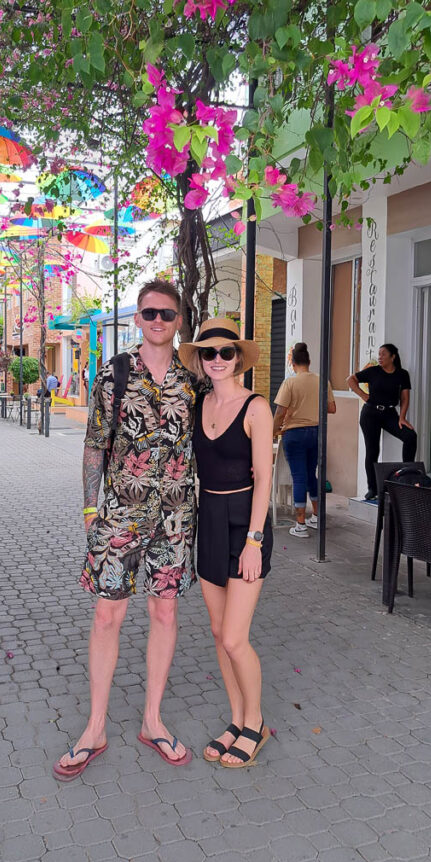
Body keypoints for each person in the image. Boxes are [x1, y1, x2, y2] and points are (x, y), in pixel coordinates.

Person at [53, 279, 198, 781]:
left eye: (167, 314)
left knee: (165, 610)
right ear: (138, 319)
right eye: (149, 313)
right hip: (119, 515)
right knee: (108, 615)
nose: (158, 321)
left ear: (178, 321)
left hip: (175, 517)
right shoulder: (115, 376)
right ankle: (94, 728)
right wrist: (89, 512)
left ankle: (152, 720)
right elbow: (95, 444)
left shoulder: (191, 380)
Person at [179, 318, 274, 768]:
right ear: (200, 359)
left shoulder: (256, 407)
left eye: (226, 352)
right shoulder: (197, 404)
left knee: (236, 638)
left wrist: (254, 541)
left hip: (245, 525)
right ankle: (236, 719)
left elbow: (265, 479)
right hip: (209, 521)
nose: (218, 360)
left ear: (238, 358)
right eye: (209, 353)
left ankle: (256, 723)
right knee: (219, 634)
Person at [273, 342, 337, 538]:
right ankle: (316, 516)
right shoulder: (322, 380)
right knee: (311, 475)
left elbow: (280, 411)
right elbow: (332, 408)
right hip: (316, 432)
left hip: (295, 434)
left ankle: (300, 524)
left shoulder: (290, 383)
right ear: (308, 361)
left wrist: (273, 430)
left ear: (293, 363)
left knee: (299, 476)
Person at [347, 343, 418, 500]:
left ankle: (407, 479)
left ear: (393, 357)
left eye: (383, 354)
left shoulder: (402, 374)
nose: (380, 357)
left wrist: (402, 417)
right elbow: (350, 380)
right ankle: (372, 488)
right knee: (372, 451)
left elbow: (405, 398)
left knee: (410, 436)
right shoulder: (373, 371)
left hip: (390, 413)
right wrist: (363, 395)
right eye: (379, 354)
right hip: (370, 414)